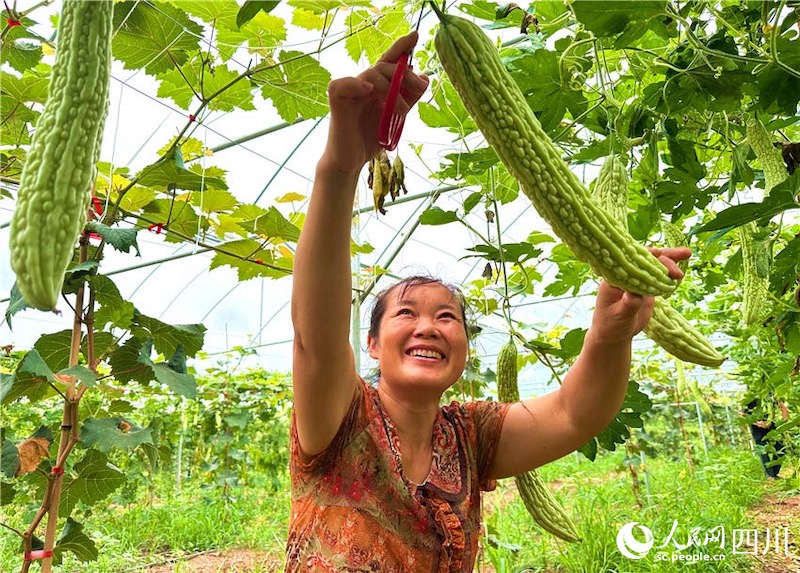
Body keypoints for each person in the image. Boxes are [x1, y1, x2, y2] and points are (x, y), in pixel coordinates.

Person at [287, 31, 691, 572]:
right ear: (371, 342)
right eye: (406, 313)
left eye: (447, 317)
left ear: (466, 349)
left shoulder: (470, 436)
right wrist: (339, 170)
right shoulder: (340, 417)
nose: (428, 327)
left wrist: (611, 334)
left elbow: (574, 414)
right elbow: (315, 338)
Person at [742, 397, 789, 479]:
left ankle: (775, 473)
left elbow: (783, 407)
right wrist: (756, 423)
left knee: (781, 448)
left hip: (773, 427)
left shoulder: (771, 397)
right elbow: (742, 415)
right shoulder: (751, 399)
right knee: (763, 450)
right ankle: (769, 475)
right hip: (758, 429)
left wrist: (784, 422)